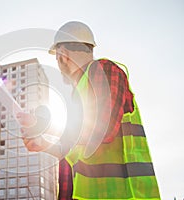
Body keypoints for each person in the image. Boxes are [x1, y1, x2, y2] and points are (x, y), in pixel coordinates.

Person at [17, 21, 160, 199]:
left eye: (57, 58)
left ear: (63, 55)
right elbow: (78, 149)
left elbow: (100, 133)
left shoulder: (103, 70)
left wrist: (45, 127)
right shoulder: (82, 91)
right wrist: (44, 142)